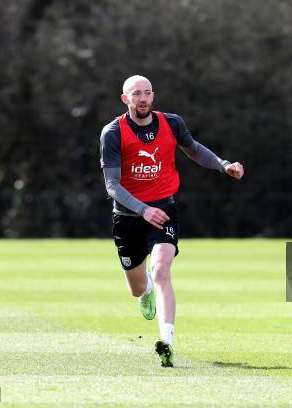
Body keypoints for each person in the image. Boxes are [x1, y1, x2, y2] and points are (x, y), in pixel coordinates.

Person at [99, 75, 244, 367]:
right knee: (138, 287)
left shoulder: (172, 123)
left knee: (162, 270)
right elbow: (112, 186)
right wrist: (142, 210)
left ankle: (166, 342)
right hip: (128, 216)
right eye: (136, 94)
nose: (143, 98)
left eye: (148, 93)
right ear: (125, 99)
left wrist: (223, 165)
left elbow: (194, 149)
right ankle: (147, 291)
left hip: (163, 209)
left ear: (153, 96)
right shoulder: (113, 133)